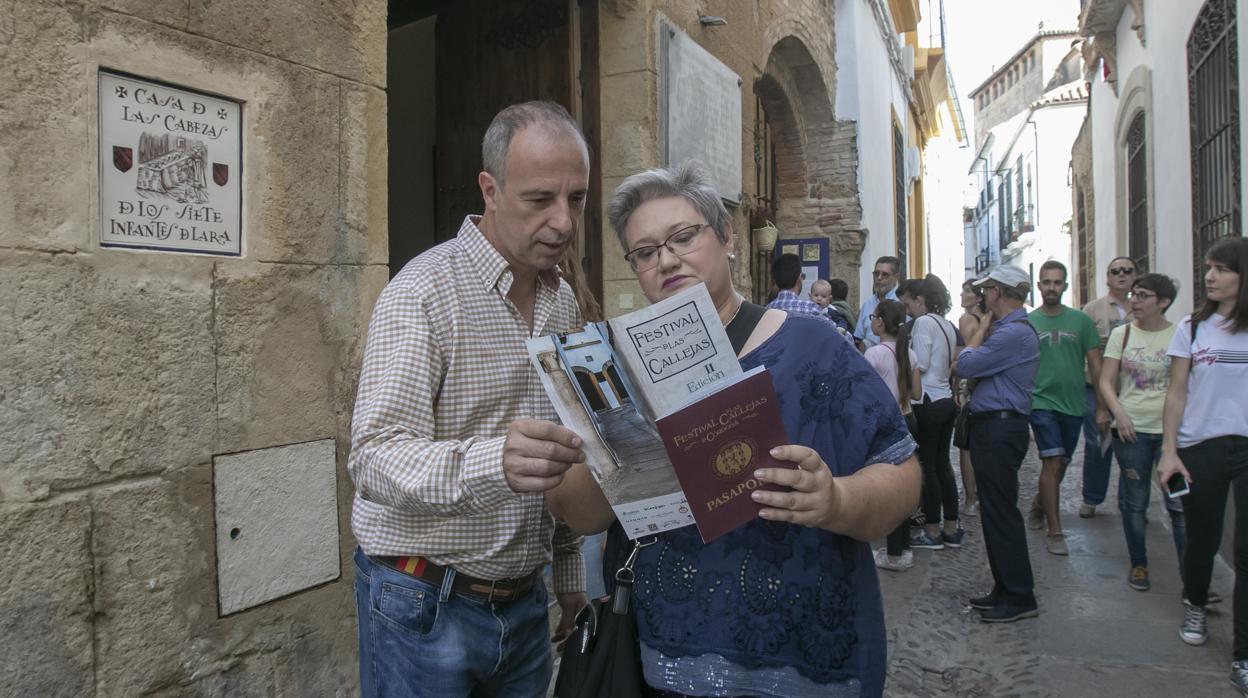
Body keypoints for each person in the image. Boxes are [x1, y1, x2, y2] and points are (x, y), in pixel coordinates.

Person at [548, 161, 922, 697]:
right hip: (658, 663)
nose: (667, 260)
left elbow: (902, 472)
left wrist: (836, 499)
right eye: (646, 252)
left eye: (682, 237)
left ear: (726, 238)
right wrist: (581, 451)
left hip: (799, 661)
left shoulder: (811, 347)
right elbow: (587, 516)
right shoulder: (615, 369)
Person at [347, 101, 591, 697]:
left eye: (577, 198)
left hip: (525, 606)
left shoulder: (564, 303)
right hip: (422, 603)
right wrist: (494, 462)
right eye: (540, 200)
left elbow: (561, 450)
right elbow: (372, 458)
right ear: (490, 189)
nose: (563, 222)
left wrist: (567, 576)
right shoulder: (422, 293)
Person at [1157, 237, 1248, 692]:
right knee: (1204, 538)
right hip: (1201, 447)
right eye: (1208, 268)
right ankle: (1195, 601)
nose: (1210, 276)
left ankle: (1244, 655)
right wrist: (1169, 450)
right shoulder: (1192, 329)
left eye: (1221, 269)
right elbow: (1176, 392)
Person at [956, 265, 1041, 623]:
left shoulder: (1011, 335)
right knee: (995, 512)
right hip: (994, 427)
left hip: (1000, 429)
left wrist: (977, 336)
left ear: (997, 292)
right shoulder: (1008, 331)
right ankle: (1005, 588)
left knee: (1002, 514)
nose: (981, 296)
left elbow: (965, 364)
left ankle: (1019, 595)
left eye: (986, 289)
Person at [1097, 273, 1184, 593]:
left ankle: (1191, 574)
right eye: (1133, 294)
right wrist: (1118, 413)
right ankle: (1138, 564)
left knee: (1178, 503)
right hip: (1131, 435)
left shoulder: (1179, 335)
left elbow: (1182, 385)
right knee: (1135, 503)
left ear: (1163, 302)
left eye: (1143, 295)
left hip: (1170, 437)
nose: (1134, 300)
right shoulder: (1123, 335)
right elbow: (1106, 381)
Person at [1027, 260, 1101, 556]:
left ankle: (1038, 502)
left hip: (1074, 404)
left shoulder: (1081, 322)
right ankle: (1055, 530)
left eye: (1057, 282)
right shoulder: (1030, 323)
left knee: (1062, 462)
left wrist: (1102, 406)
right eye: (1047, 282)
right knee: (1053, 460)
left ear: (1065, 286)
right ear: (1039, 286)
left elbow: (1096, 364)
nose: (1052, 288)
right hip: (1040, 402)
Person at [903, 275, 963, 550]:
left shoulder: (925, 322)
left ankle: (932, 530)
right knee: (942, 465)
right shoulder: (947, 325)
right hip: (946, 399)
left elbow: (922, 363)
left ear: (921, 300)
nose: (909, 309)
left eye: (912, 302)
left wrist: (905, 357)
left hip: (927, 400)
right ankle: (951, 526)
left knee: (927, 467)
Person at [864, 299, 923, 572]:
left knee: (890, 490)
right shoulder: (908, 354)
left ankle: (894, 554)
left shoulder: (874, 354)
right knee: (905, 486)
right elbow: (917, 394)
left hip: (886, 425)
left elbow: (864, 393)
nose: (871, 321)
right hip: (909, 419)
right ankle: (903, 547)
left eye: (874, 317)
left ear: (880, 322)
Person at [1079, 257, 1137, 518]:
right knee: (1097, 443)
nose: (1122, 275)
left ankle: (1132, 500)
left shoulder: (1143, 307)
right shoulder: (1093, 310)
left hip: (1132, 389)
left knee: (1133, 447)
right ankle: (1092, 497)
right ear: (1107, 277)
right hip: (1096, 388)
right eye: (1116, 271)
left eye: (1127, 271)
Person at [955, 279, 984, 515]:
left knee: (966, 443)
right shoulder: (990, 320)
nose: (962, 295)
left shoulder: (966, 320)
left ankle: (970, 497)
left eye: (967, 291)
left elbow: (969, 352)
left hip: (970, 380)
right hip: (986, 380)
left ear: (978, 297)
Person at [768, 254, 839, 327]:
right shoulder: (813, 310)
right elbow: (843, 337)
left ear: (775, 281)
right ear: (799, 278)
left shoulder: (765, 312)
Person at [856, 256, 902, 348]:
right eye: (876, 273)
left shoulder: (901, 303)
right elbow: (858, 337)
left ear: (896, 277)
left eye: (885, 274)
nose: (879, 278)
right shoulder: (867, 304)